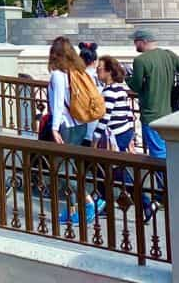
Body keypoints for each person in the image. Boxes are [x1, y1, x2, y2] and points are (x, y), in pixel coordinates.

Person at [47, 36, 104, 224]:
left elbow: (57, 105)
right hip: (80, 125)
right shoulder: (77, 71)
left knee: (62, 170)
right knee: (71, 166)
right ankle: (72, 210)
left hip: (65, 126)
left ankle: (89, 202)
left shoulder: (57, 75)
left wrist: (54, 129)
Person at [127, 29, 179, 159]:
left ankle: (162, 179)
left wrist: (127, 77)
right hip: (168, 113)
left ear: (143, 41)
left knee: (157, 154)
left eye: (136, 42)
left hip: (151, 115)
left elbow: (136, 86)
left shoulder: (140, 61)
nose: (135, 45)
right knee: (169, 150)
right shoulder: (168, 55)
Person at [96, 55, 136, 152]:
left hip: (116, 134)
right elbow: (129, 113)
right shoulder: (120, 89)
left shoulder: (109, 91)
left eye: (99, 67)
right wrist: (131, 135)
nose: (97, 70)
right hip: (126, 132)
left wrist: (95, 136)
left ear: (108, 71)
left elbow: (105, 117)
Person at [79, 41, 101, 146]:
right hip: (101, 123)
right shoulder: (101, 76)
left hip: (85, 124)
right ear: (95, 61)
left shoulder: (80, 77)